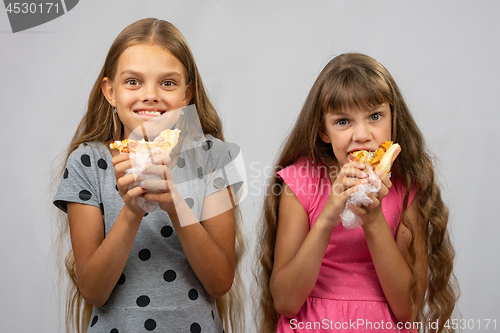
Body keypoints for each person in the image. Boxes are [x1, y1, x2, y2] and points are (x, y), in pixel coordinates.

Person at [53, 18, 245, 333]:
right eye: (133, 82)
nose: (150, 95)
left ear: (187, 94)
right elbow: (93, 290)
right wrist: (132, 210)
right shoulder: (87, 163)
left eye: (167, 83)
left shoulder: (212, 157)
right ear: (110, 91)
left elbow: (220, 281)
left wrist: (176, 205)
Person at [255, 53, 458, 332]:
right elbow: (286, 301)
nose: (362, 135)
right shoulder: (300, 181)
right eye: (343, 121)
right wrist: (328, 215)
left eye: (375, 117)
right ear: (323, 131)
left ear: (393, 119)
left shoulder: (408, 188)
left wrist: (373, 219)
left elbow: (408, 308)